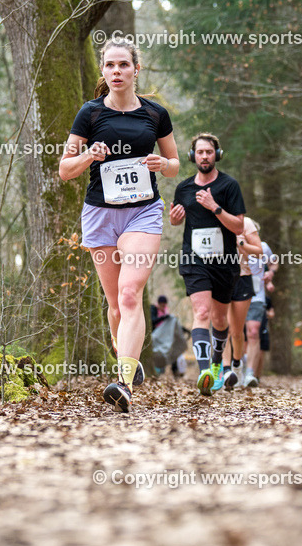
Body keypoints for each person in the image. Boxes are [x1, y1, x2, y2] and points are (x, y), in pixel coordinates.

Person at [58, 38, 180, 412]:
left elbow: (175, 163)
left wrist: (163, 165)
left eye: (123, 65)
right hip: (99, 214)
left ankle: (123, 383)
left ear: (135, 69)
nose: (116, 72)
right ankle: (127, 358)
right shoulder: (90, 114)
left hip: (142, 213)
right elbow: (65, 170)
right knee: (114, 305)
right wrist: (88, 156)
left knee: (130, 295)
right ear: (103, 72)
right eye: (110, 66)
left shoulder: (155, 114)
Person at [168, 133, 246, 396]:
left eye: (208, 152)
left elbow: (238, 226)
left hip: (225, 262)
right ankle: (203, 372)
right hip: (194, 259)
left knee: (220, 319)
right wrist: (175, 219)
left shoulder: (229, 186)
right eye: (199, 152)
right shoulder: (184, 189)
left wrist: (215, 207)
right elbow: (177, 222)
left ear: (217, 155)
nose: (204, 156)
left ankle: (215, 366)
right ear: (193, 156)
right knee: (201, 312)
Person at [222, 217, 263, 389]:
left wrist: (241, 244)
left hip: (242, 278)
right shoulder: (212, 218)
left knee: (236, 331)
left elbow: (259, 251)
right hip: (219, 277)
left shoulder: (245, 223)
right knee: (222, 327)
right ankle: (225, 371)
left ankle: (237, 366)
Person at [244, 244, 278, 386]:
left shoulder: (262, 247)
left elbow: (274, 260)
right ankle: (233, 369)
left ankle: (251, 374)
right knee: (237, 336)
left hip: (257, 298)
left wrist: (271, 274)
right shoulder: (230, 240)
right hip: (235, 296)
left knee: (253, 333)